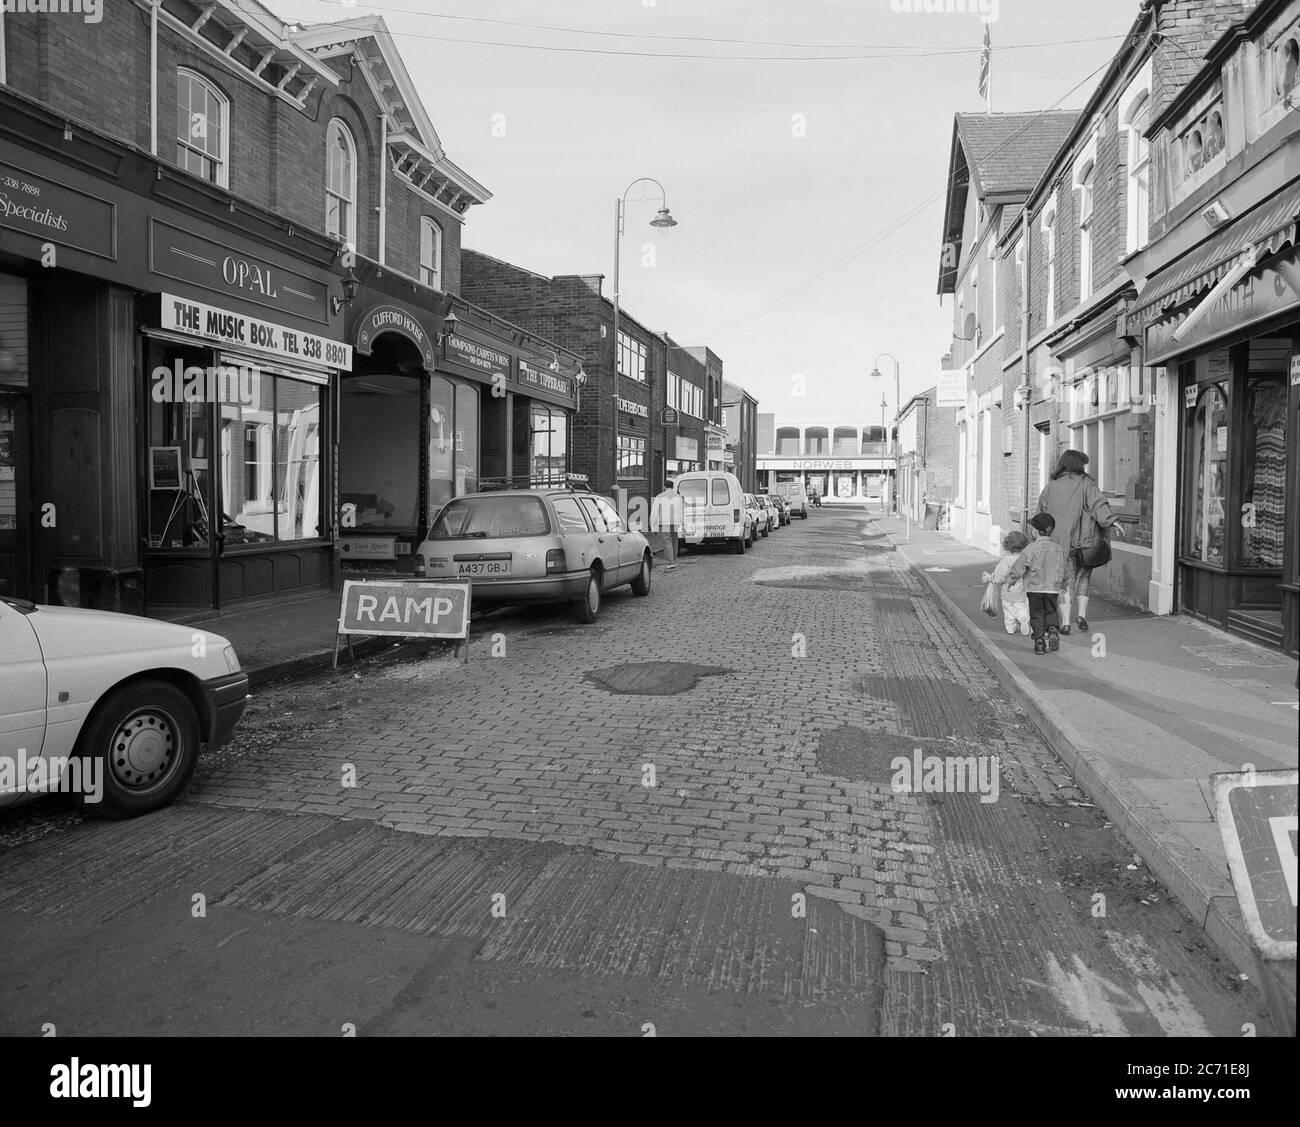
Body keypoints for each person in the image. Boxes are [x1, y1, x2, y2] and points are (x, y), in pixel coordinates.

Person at [1037, 449, 1126, 634]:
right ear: (1078, 465)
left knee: (1064, 582)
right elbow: (1098, 505)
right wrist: (1112, 520)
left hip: (1060, 542)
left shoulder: (1051, 486)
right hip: (1085, 541)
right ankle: (1082, 615)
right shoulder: (1087, 483)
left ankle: (1066, 622)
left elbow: (1041, 515)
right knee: (1084, 577)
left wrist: (1038, 538)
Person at [1007, 512, 1066, 656]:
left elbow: (1019, 567)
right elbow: (1064, 567)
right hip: (1052, 588)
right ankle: (1052, 629)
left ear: (1035, 531)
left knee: (1036, 615)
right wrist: (1064, 583)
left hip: (1034, 588)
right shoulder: (1058, 548)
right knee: (1051, 611)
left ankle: (1039, 642)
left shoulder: (1030, 549)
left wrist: (1011, 580)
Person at [982, 529, 1031, 637]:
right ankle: (1023, 619)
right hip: (1022, 592)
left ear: (1007, 546)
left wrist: (990, 578)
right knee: (1022, 607)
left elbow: (999, 577)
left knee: (1009, 611)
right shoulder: (1025, 559)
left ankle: (1010, 628)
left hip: (1007, 592)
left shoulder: (1005, 561)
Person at [651, 480, 680, 569]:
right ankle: (674, 560)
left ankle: (671, 562)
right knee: (674, 541)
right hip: (675, 522)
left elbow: (654, 513)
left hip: (664, 522)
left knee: (667, 541)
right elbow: (681, 511)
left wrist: (653, 527)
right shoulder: (678, 497)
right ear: (673, 486)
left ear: (664, 486)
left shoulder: (659, 497)